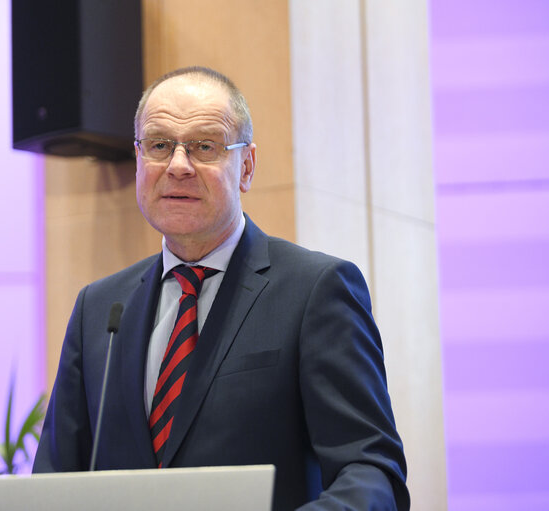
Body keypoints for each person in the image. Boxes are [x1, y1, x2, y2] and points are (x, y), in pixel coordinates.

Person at [33, 66, 410, 510]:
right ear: (139, 160)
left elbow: (369, 469)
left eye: (204, 147)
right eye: (158, 145)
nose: (177, 166)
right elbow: (53, 482)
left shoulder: (315, 292)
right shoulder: (99, 309)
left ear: (246, 166)